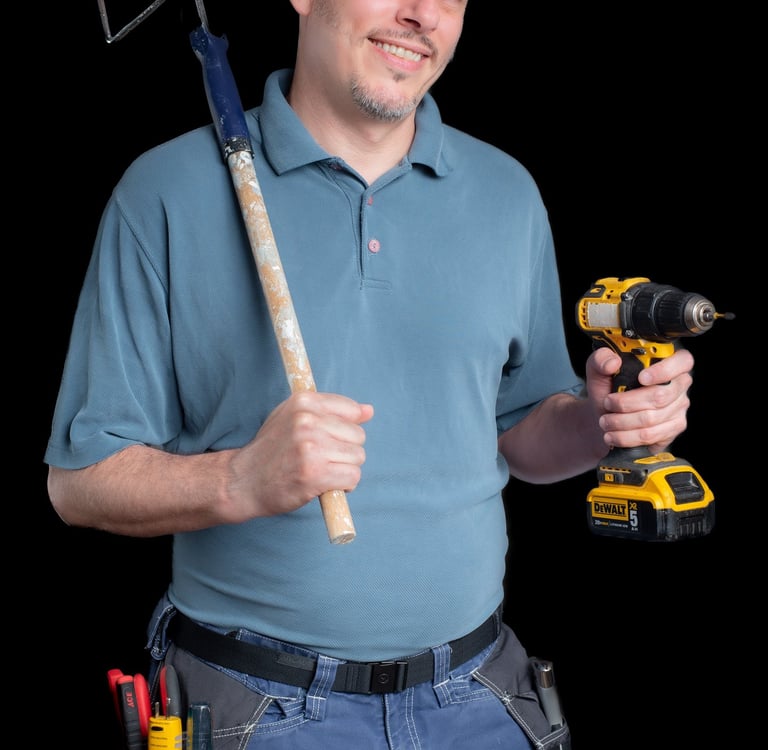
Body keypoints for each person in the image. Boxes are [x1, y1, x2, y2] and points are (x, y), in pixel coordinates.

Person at [45, 1, 696, 748]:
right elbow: (79, 484)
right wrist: (241, 480)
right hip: (256, 710)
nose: (420, 13)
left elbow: (519, 432)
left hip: (482, 696)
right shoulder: (163, 192)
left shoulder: (507, 193)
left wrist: (598, 422)